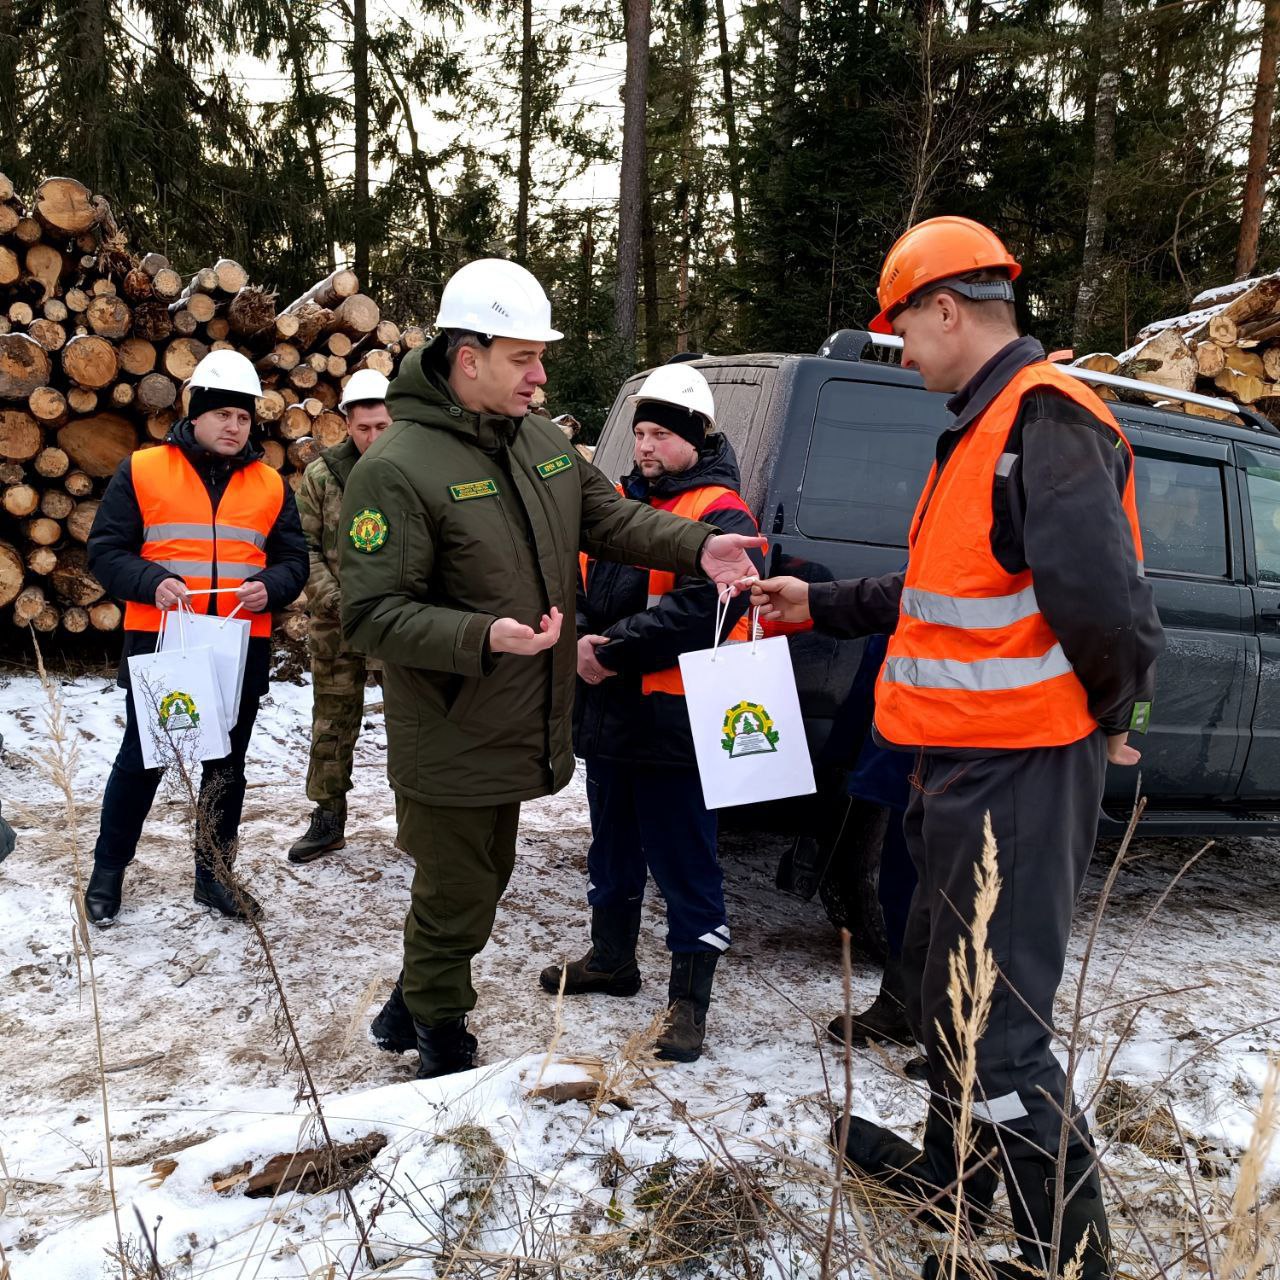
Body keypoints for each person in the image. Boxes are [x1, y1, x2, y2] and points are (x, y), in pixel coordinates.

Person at [749, 217, 1164, 1280]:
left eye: (902, 331)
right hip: (956, 763)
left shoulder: (1042, 422)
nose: (903, 353)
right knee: (946, 991)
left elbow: (1110, 614)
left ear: (945, 308)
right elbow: (946, 594)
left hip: (1020, 768)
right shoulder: (980, 426)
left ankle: (1063, 1252)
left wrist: (1113, 720)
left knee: (1002, 1028)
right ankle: (950, 1178)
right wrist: (823, 602)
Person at [339, 258, 764, 1080]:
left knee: (478, 878)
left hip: (519, 718)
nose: (540, 376)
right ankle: (441, 1040)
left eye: (540, 357)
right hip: (453, 723)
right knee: (460, 886)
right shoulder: (394, 469)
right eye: (522, 358)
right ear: (469, 358)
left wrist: (697, 545)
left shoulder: (537, 439)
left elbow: (607, 517)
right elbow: (369, 615)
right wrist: (480, 635)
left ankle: (408, 1002)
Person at [538, 364, 766, 1063]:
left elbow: (705, 610)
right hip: (609, 712)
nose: (644, 446)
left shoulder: (722, 514)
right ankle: (612, 961)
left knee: (684, 860)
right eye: (638, 432)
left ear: (696, 438)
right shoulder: (614, 505)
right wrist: (580, 640)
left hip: (676, 719)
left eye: (661, 433)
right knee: (610, 846)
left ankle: (688, 1006)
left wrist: (614, 652)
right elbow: (573, 582)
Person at [84, 351, 309, 926]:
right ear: (196, 413)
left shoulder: (270, 484)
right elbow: (105, 552)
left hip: (239, 644)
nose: (235, 427)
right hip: (163, 640)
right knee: (144, 757)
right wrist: (153, 580)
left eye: (244, 417)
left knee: (225, 765)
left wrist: (270, 587)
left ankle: (214, 876)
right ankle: (107, 871)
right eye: (224, 415)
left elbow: (293, 561)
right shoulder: (143, 470)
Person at [289, 369, 393, 863]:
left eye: (382, 426)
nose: (372, 438)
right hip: (337, 621)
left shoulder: (414, 470)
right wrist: (334, 598)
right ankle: (328, 818)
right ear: (346, 424)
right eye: (363, 428)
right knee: (332, 721)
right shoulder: (322, 475)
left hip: (402, 622)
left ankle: (417, 822)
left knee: (414, 724)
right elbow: (302, 547)